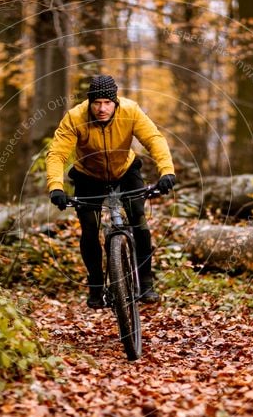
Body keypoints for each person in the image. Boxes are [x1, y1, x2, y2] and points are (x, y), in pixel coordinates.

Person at [46, 75, 177, 309]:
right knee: (89, 226)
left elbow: (154, 139)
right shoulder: (75, 117)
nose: (102, 108)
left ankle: (145, 282)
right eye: (96, 103)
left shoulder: (131, 111)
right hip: (88, 176)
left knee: (138, 218)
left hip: (125, 170)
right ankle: (96, 284)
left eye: (107, 102)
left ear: (116, 102)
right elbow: (57, 154)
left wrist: (167, 171)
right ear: (89, 103)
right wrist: (56, 187)